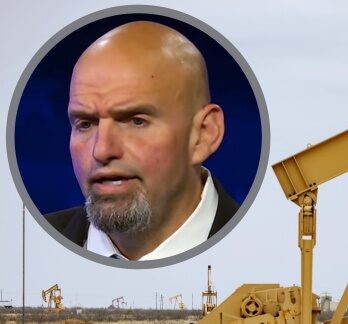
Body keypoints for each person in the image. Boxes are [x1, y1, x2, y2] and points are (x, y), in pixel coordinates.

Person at [45, 21, 238, 260]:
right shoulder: (24, 251)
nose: (102, 150)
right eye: (85, 124)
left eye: (136, 121)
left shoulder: (269, 249)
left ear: (203, 134)